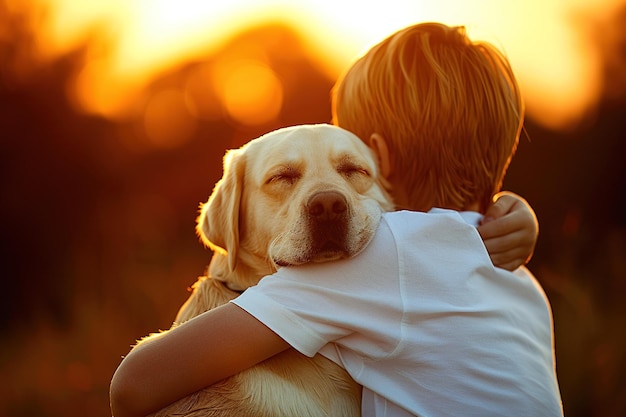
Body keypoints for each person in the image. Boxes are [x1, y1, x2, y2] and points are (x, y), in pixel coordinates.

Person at [110, 22, 562, 417]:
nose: (329, 199)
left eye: (351, 169)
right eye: (284, 177)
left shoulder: (368, 264)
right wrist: (518, 213)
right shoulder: (526, 287)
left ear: (382, 162)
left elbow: (131, 388)